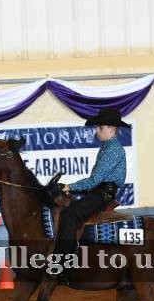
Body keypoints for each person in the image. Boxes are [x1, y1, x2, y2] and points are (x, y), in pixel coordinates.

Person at [50, 107, 130, 269]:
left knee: (70, 213)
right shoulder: (107, 147)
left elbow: (94, 180)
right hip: (99, 190)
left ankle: (62, 263)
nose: (97, 131)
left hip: (102, 193)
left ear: (111, 129)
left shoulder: (113, 150)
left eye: (100, 128)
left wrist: (69, 186)